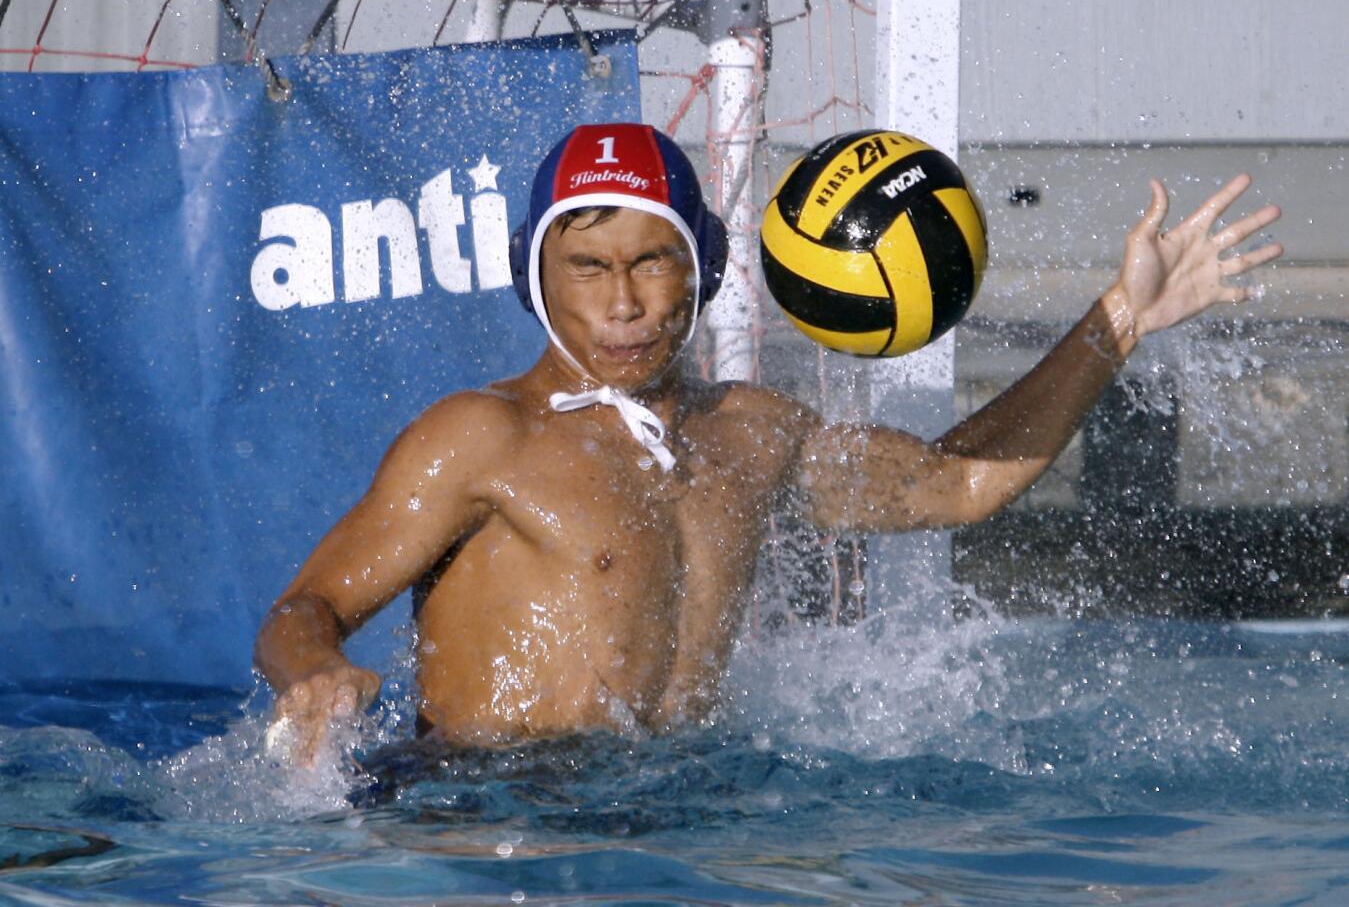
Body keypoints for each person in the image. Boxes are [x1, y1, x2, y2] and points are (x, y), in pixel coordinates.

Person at [254, 123, 1281, 762]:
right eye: (587, 266)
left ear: (697, 264)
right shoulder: (478, 437)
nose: (622, 303)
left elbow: (955, 486)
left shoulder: (751, 435)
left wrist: (1118, 322)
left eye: (652, 262)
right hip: (480, 815)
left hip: (670, 810)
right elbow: (306, 609)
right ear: (538, 273)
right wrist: (312, 673)